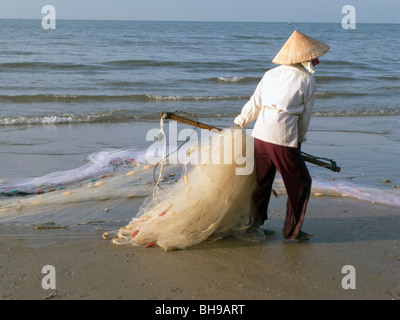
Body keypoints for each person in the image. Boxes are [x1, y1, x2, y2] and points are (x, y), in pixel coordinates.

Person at [233, 30, 330, 241]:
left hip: (260, 134)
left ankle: (253, 226)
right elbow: (305, 116)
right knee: (301, 181)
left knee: (261, 182)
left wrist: (240, 122)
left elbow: (255, 103)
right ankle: (292, 229)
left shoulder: (271, 74)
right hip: (283, 136)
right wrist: (300, 139)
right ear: (304, 57)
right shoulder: (306, 80)